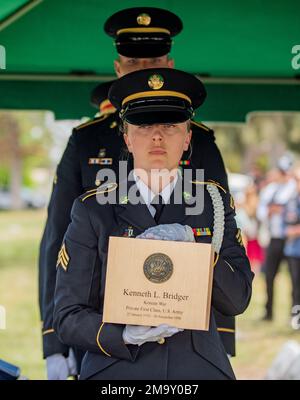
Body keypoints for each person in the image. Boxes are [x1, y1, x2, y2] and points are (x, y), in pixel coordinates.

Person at [40, 7, 231, 379]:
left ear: (170, 62)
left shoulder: (200, 140)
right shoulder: (87, 140)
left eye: (155, 60)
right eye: (133, 61)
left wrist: (220, 339)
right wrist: (54, 342)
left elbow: (222, 234)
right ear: (117, 67)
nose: (145, 69)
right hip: (105, 328)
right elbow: (57, 241)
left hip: (187, 332)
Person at [257, 156, 296, 321]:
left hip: (291, 240)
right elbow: (261, 212)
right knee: (269, 276)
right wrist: (271, 211)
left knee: (295, 279)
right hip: (274, 239)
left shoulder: (294, 188)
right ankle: (269, 312)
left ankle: (294, 314)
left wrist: (277, 210)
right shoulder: (271, 189)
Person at [284, 168, 300, 329]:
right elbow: (285, 226)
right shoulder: (292, 200)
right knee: (295, 287)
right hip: (293, 251)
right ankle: (296, 316)